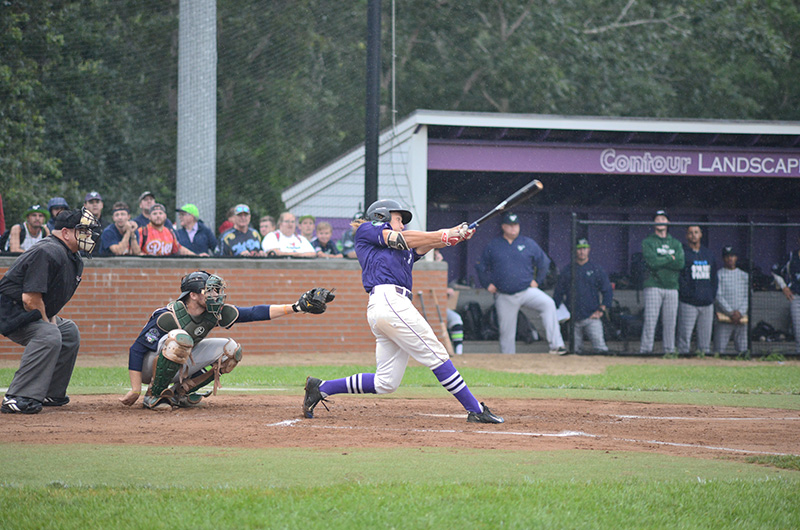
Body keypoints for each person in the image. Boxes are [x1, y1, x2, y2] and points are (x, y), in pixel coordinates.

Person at [302, 199, 504, 424]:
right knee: (436, 353)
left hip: (388, 307)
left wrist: (453, 237)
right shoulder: (369, 230)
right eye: (398, 220)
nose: (402, 225)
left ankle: (320, 388)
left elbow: (422, 245)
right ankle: (475, 408)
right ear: (382, 217)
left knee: (386, 383)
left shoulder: (401, 249)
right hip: (390, 302)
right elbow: (402, 239)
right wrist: (443, 234)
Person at [121, 271, 334, 410]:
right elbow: (137, 349)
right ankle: (154, 395)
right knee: (180, 338)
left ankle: (180, 392)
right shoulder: (168, 315)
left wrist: (295, 307)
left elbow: (253, 312)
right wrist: (135, 389)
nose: (216, 295)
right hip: (150, 366)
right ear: (193, 295)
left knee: (230, 350)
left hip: (179, 360)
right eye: (210, 291)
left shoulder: (214, 312)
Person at [0, 208, 100, 414]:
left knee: (68, 331)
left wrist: (51, 320)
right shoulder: (48, 251)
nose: (88, 236)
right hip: (9, 311)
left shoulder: (72, 257)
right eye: (83, 231)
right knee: (49, 333)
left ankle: (50, 392)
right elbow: (30, 298)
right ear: (65, 233)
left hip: (28, 311)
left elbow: (50, 300)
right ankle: (19, 397)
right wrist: (48, 323)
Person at [475, 212, 566, 355]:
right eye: (510, 225)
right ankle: (508, 361)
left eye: (515, 225)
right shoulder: (494, 245)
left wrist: (538, 281)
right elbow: (481, 266)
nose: (513, 228)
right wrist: (487, 284)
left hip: (526, 291)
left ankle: (557, 346)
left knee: (548, 304)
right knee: (506, 333)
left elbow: (544, 262)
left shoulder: (527, 243)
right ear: (503, 227)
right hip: (504, 294)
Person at [552, 238, 613, 354]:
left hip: (592, 317)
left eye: (584, 249)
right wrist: (558, 313)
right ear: (575, 251)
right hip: (573, 318)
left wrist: (602, 309)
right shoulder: (568, 270)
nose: (581, 252)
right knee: (574, 351)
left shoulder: (596, 269)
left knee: (601, 349)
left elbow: (607, 290)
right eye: (579, 249)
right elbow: (558, 293)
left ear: (588, 250)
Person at [639, 210, 685, 354]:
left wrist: (663, 261)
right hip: (653, 286)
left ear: (668, 222)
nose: (660, 221)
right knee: (650, 321)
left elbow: (680, 264)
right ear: (654, 222)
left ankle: (669, 351)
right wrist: (669, 258)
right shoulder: (648, 242)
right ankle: (645, 351)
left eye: (663, 218)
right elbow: (652, 263)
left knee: (670, 323)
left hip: (672, 287)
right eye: (657, 218)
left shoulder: (676, 243)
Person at [677, 225, 718, 355]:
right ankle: (682, 361)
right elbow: (680, 277)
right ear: (686, 236)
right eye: (690, 233)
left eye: (696, 232)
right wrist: (687, 294)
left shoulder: (708, 254)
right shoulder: (683, 253)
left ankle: (703, 361)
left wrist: (711, 297)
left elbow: (714, 278)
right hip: (688, 303)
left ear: (701, 234)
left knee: (705, 339)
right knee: (684, 336)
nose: (693, 235)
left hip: (707, 303)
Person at [715, 246, 749, 354]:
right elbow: (718, 295)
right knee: (719, 349)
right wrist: (730, 312)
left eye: (732, 256)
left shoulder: (744, 275)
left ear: (736, 258)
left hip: (741, 317)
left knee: (743, 350)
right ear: (723, 258)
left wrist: (740, 312)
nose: (730, 258)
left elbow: (747, 296)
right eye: (727, 256)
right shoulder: (719, 274)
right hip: (724, 317)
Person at [772, 235, 800, 353]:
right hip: (796, 297)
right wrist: (784, 287)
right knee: (798, 331)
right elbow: (775, 270)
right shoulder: (791, 256)